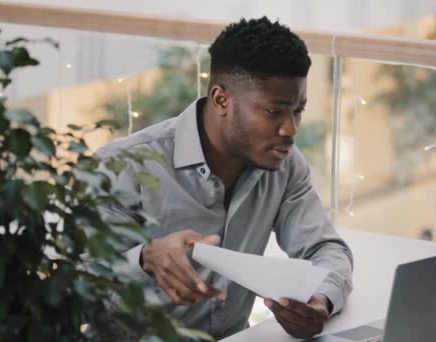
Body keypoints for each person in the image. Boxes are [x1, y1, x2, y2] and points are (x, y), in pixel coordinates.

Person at [96, 17, 353, 340]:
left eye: (297, 111)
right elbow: (71, 285)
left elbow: (326, 249)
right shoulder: (125, 167)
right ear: (221, 100)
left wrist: (321, 301)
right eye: (275, 112)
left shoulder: (284, 163)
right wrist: (144, 258)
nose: (291, 129)